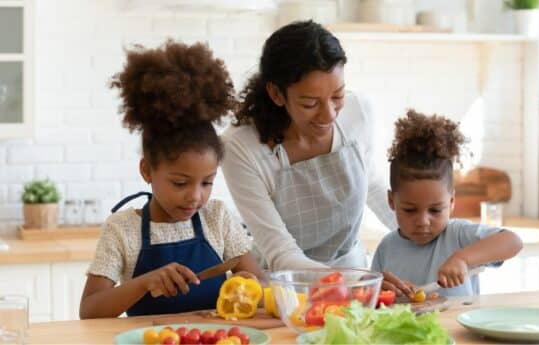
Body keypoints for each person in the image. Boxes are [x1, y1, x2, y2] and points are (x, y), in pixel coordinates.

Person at [221, 20, 412, 296]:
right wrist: (356, 283)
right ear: (276, 94)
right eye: (310, 103)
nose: (329, 115)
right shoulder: (240, 147)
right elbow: (280, 251)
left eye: (337, 95)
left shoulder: (359, 111)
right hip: (286, 291)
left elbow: (370, 184)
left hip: (355, 277)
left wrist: (427, 233)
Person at [80, 41, 263, 319]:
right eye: (180, 183)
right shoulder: (122, 230)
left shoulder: (218, 219)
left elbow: (261, 285)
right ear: (147, 170)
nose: (195, 196)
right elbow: (90, 311)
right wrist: (144, 282)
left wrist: (251, 285)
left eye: (207, 183)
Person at [371, 110, 523, 297]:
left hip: (457, 326)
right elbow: (373, 299)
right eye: (410, 210)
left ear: (451, 202)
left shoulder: (458, 236)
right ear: (391, 201)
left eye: (435, 210)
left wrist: (463, 258)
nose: (423, 221)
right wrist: (381, 291)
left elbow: (513, 242)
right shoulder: (386, 248)